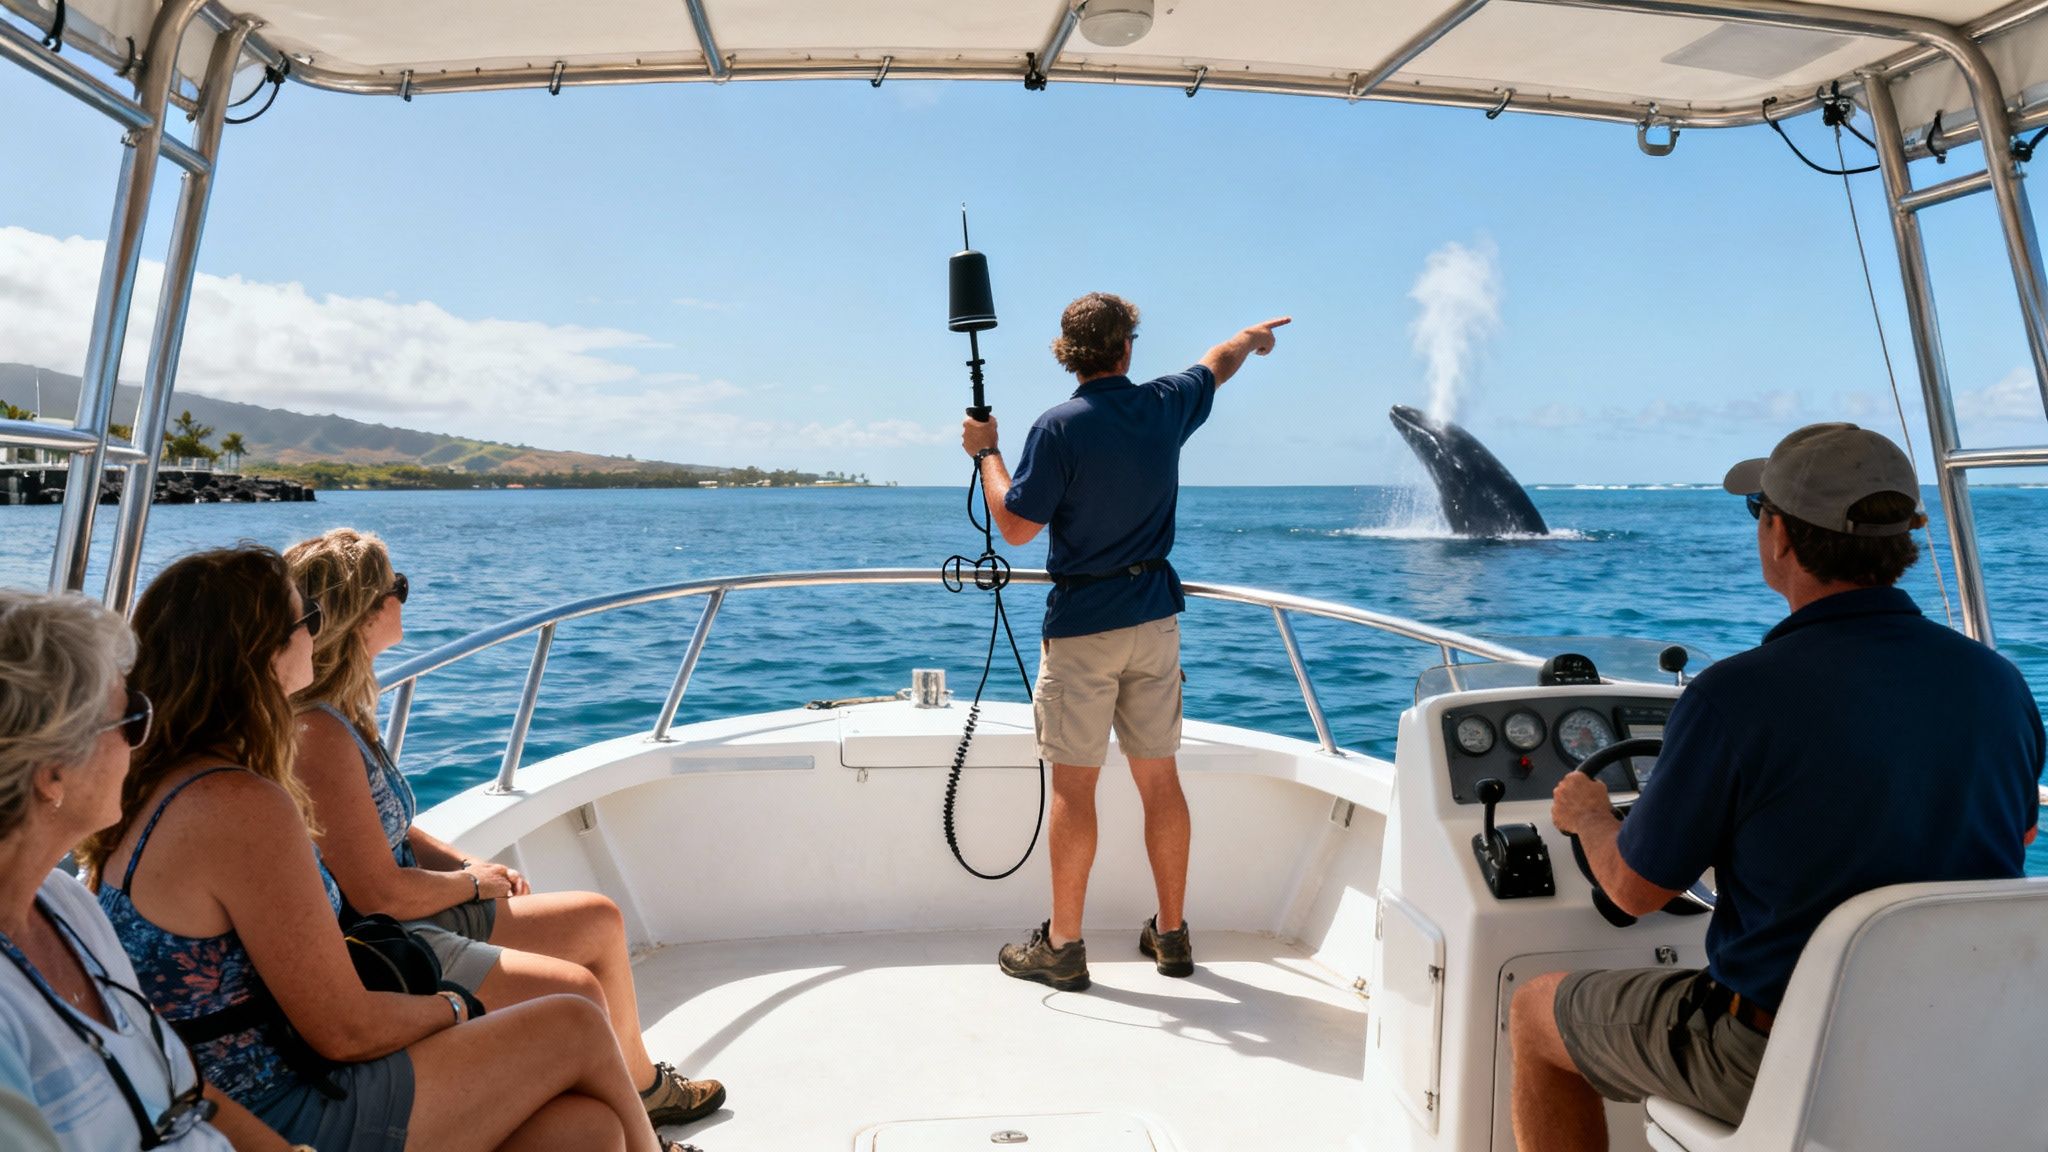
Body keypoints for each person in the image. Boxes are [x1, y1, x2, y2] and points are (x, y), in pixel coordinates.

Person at [1509, 423, 2045, 1150]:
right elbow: (2016, 836)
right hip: (1959, 1042)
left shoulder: (1735, 698)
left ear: (1781, 537)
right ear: (1903, 541)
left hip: (1774, 1053)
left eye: (1759, 510)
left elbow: (1635, 893)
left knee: (1537, 1012)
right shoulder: (1999, 683)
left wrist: (1592, 819)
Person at [76, 547, 683, 1152]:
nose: (315, 632)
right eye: (304, 619)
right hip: (270, 1105)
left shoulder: (158, 775)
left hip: (234, 1082)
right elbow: (344, 1030)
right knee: (571, 1023)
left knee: (586, 1130)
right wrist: (455, 1008)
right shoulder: (239, 805)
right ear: (263, 654)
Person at [282, 528, 722, 1134]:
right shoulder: (319, 736)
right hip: (385, 938)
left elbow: (392, 831)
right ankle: (644, 1141)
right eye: (398, 588)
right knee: (576, 994)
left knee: (598, 920)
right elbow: (376, 893)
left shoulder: (346, 711)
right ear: (362, 614)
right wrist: (471, 887)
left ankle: (644, 1090)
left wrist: (468, 869)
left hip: (412, 908)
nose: (404, 600)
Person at [959, 292, 1290, 991]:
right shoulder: (1167, 403)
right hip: (1154, 622)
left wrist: (987, 453)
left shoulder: (1058, 427)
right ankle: (1171, 935)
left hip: (1083, 628)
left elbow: (1016, 528)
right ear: (1127, 347)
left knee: (1076, 793)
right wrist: (1250, 335)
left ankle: (1065, 946)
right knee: (1159, 780)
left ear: (1066, 353)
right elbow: (1218, 362)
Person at [0, 588, 288, 1151]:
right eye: (132, 718)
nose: (141, 743)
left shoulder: (64, 905)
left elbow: (181, 1090)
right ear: (52, 772)